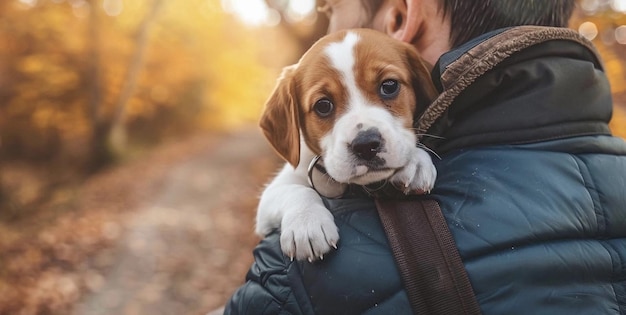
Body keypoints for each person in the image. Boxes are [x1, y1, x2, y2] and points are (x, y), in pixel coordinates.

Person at [224, 0, 626, 314]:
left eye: (387, 88)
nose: (363, 133)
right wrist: (299, 201)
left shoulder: (296, 278)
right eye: (325, 108)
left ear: (401, 19)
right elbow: (278, 196)